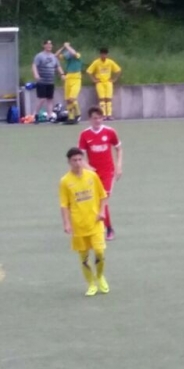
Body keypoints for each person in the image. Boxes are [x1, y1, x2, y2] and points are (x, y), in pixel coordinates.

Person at [60, 147, 109, 296]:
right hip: (79, 225)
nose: (78, 163)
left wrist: (101, 212)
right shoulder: (65, 181)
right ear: (69, 162)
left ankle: (100, 276)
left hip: (95, 222)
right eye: (74, 160)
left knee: (99, 252)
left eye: (80, 159)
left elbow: (103, 195)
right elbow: (64, 205)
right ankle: (91, 283)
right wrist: (67, 223)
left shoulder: (92, 176)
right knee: (84, 258)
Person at [78, 107, 123, 239]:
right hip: (93, 174)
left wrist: (119, 166)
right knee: (96, 201)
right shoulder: (85, 135)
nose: (97, 120)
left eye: (99, 118)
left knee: (103, 199)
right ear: (89, 119)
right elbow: (80, 157)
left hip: (108, 172)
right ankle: (99, 227)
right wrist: (89, 168)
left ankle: (109, 229)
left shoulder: (110, 132)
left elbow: (119, 149)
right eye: (94, 118)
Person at [32, 39, 64, 120]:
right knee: (42, 99)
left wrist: (62, 74)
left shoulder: (54, 57)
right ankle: (34, 114)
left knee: (50, 99)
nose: (49, 46)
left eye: (50, 44)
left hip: (50, 81)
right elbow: (34, 65)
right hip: (42, 81)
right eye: (47, 44)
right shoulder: (39, 56)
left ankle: (49, 116)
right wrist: (36, 74)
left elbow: (58, 66)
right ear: (44, 46)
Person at [86, 48, 122, 120]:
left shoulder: (110, 62)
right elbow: (88, 71)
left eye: (105, 54)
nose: (103, 56)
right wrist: (94, 80)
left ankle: (109, 115)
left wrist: (114, 79)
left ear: (107, 55)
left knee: (108, 99)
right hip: (100, 82)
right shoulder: (96, 62)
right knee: (102, 99)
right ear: (100, 54)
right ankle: (103, 115)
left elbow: (118, 70)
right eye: (102, 54)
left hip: (108, 82)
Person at [56, 42, 84, 123]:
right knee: (68, 100)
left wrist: (67, 46)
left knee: (72, 98)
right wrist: (63, 47)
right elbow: (56, 56)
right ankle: (71, 117)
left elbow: (74, 53)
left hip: (76, 78)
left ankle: (78, 113)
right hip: (68, 77)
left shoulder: (78, 55)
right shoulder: (67, 55)